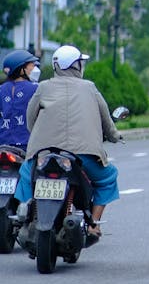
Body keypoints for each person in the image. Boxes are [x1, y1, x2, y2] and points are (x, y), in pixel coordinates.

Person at [14, 45, 122, 242]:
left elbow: (31, 119)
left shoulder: (43, 87)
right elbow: (106, 121)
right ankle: (93, 225)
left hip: (44, 154)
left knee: (25, 173)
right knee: (108, 177)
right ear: (77, 65)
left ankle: (26, 212)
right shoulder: (90, 88)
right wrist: (115, 136)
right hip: (83, 157)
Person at [0, 51, 41, 148]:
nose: (34, 69)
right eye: (31, 65)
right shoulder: (35, 89)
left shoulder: (1, 89)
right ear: (22, 70)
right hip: (26, 144)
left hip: (3, 143)